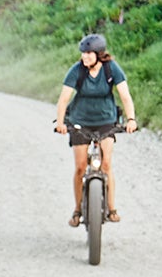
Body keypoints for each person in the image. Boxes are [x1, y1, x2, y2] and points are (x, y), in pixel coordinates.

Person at [51, 33, 138, 226]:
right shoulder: (77, 70)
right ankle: (77, 209)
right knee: (81, 167)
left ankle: (111, 208)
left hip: (106, 119)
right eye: (83, 53)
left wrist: (131, 119)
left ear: (99, 54)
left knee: (106, 165)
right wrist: (60, 122)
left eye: (89, 53)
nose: (85, 57)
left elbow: (125, 95)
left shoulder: (111, 69)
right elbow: (64, 99)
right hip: (80, 120)